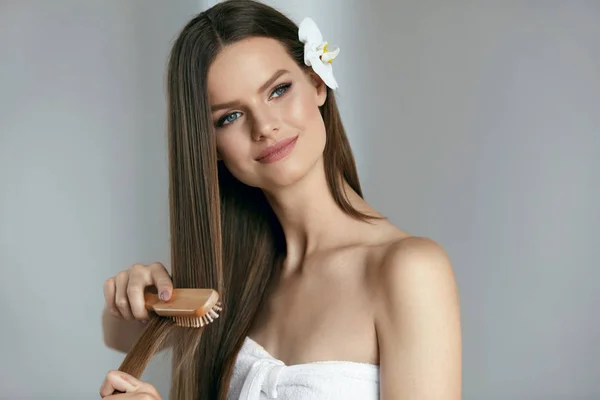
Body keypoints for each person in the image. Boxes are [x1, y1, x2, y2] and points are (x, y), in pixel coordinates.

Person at [99, 0, 462, 398]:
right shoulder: (230, 281)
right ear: (210, 147)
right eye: (229, 117)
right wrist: (130, 295)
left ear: (318, 83)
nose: (265, 126)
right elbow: (115, 333)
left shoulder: (408, 270)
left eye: (278, 90)